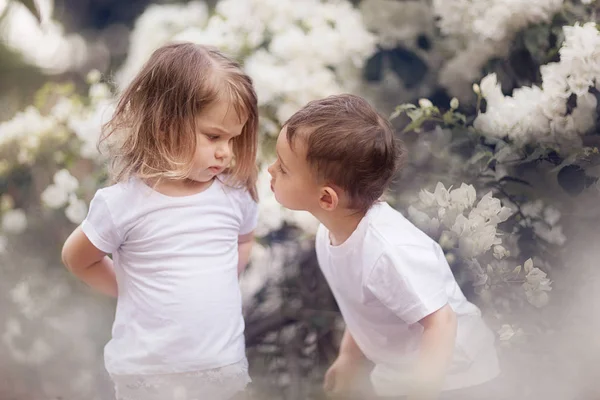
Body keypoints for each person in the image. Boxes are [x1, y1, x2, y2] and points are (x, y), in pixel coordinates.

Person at [267, 94, 500, 399]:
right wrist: (349, 357)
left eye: (283, 168)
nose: (271, 170)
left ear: (327, 198)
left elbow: (442, 322)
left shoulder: (388, 251)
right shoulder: (332, 234)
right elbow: (362, 305)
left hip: (457, 377)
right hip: (401, 370)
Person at [61, 42, 259, 400]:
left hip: (222, 368)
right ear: (165, 126)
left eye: (234, 139)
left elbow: (245, 237)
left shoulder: (233, 197)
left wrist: (227, 276)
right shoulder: (123, 203)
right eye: (214, 136)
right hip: (148, 375)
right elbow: (77, 258)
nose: (226, 151)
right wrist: (126, 288)